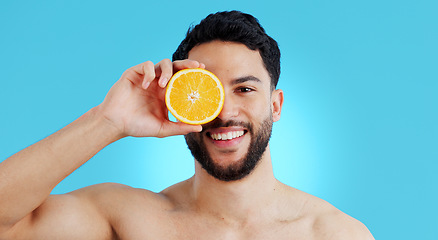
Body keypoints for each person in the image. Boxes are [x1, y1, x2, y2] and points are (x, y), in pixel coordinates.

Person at [0, 11, 374, 239]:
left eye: (244, 88)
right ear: (180, 100)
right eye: (206, 91)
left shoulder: (335, 234)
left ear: (275, 105)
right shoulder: (130, 221)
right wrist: (107, 120)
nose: (224, 112)